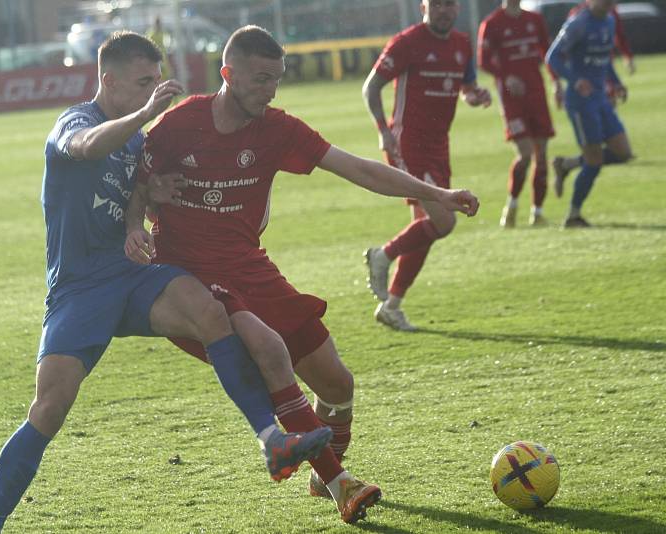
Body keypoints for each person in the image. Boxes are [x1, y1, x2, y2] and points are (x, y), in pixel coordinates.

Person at [0, 32, 333, 534]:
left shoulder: (139, 142)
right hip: (79, 289)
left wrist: (147, 203)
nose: (152, 90)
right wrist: (144, 115)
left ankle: (272, 439)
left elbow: (137, 195)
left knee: (209, 308)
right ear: (108, 80)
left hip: (134, 275)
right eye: (143, 82)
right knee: (50, 408)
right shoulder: (76, 122)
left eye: (157, 81)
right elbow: (86, 147)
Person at [124, 25, 480, 523]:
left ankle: (323, 471)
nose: (269, 91)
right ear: (227, 74)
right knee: (268, 350)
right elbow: (131, 180)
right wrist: (140, 214)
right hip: (191, 276)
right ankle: (341, 485)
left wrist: (436, 195)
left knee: (338, 383)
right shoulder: (180, 124)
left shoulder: (278, 129)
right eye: (260, 79)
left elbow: (357, 168)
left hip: (251, 266)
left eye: (276, 80)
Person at [361, 0, 491, 331]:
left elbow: (466, 87)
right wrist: (383, 131)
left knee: (426, 231)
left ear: (457, 8)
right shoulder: (408, 42)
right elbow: (371, 87)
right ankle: (383, 255)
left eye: (449, 4)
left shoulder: (462, 44)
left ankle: (392, 306)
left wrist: (475, 95)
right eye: (437, 4)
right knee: (444, 222)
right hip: (407, 143)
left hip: (438, 147)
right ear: (424, 7)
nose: (443, 10)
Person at [546, 0, 633, 228]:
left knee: (623, 152)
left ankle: (567, 164)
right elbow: (552, 57)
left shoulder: (610, 21)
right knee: (594, 160)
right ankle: (573, 216)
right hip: (581, 103)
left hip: (601, 100)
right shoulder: (578, 24)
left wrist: (616, 82)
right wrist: (575, 81)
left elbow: (605, 61)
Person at [478, 0, 560, 228]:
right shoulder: (492, 23)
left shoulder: (534, 20)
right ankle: (511, 207)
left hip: (536, 93)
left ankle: (538, 213)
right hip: (512, 99)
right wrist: (506, 76)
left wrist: (556, 83)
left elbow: (548, 53)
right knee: (525, 155)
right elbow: (482, 61)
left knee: (541, 156)